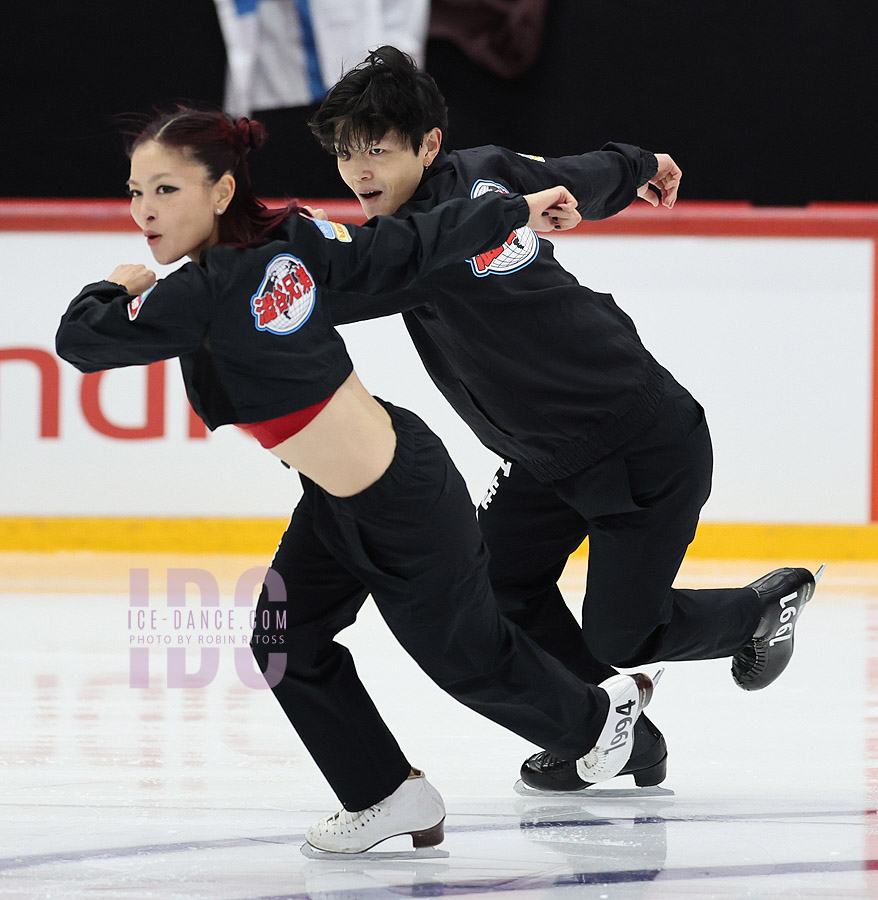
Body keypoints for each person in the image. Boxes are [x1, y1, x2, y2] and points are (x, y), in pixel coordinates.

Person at [54, 107, 660, 854]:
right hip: (348, 495)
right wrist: (510, 209)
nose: (145, 209)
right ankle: (385, 793)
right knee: (285, 639)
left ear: (219, 192)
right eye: (136, 190)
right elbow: (403, 244)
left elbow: (82, 340)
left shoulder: (201, 292)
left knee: (467, 661)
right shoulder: (290, 237)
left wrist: (114, 285)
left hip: (401, 503)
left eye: (166, 189)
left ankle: (600, 722)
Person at [307, 46, 822, 794]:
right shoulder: (484, 172)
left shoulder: (415, 243)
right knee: (496, 589)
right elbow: (576, 177)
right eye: (347, 155)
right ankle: (616, 732)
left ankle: (756, 613)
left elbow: (334, 288)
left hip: (643, 443)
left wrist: (224, 295)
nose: (360, 174)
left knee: (623, 633)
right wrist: (641, 163)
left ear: (427, 145)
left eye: (378, 153)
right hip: (548, 461)